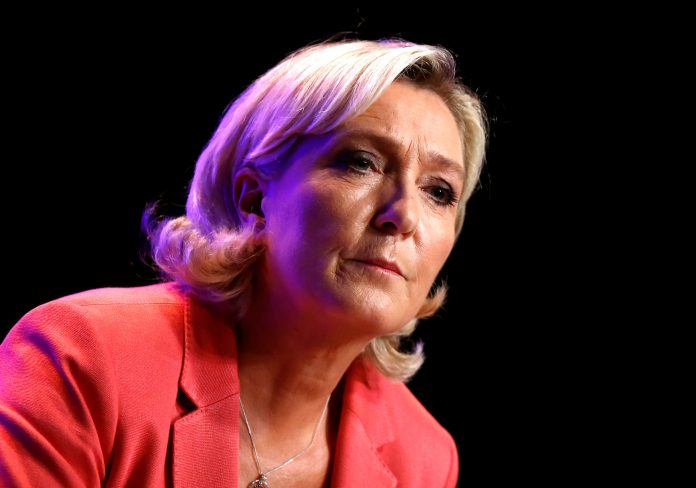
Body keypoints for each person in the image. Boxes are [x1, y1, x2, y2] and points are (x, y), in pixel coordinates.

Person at [0, 36, 486, 487]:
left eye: (439, 192)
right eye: (362, 162)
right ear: (253, 199)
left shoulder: (425, 458)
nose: (404, 216)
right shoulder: (83, 357)